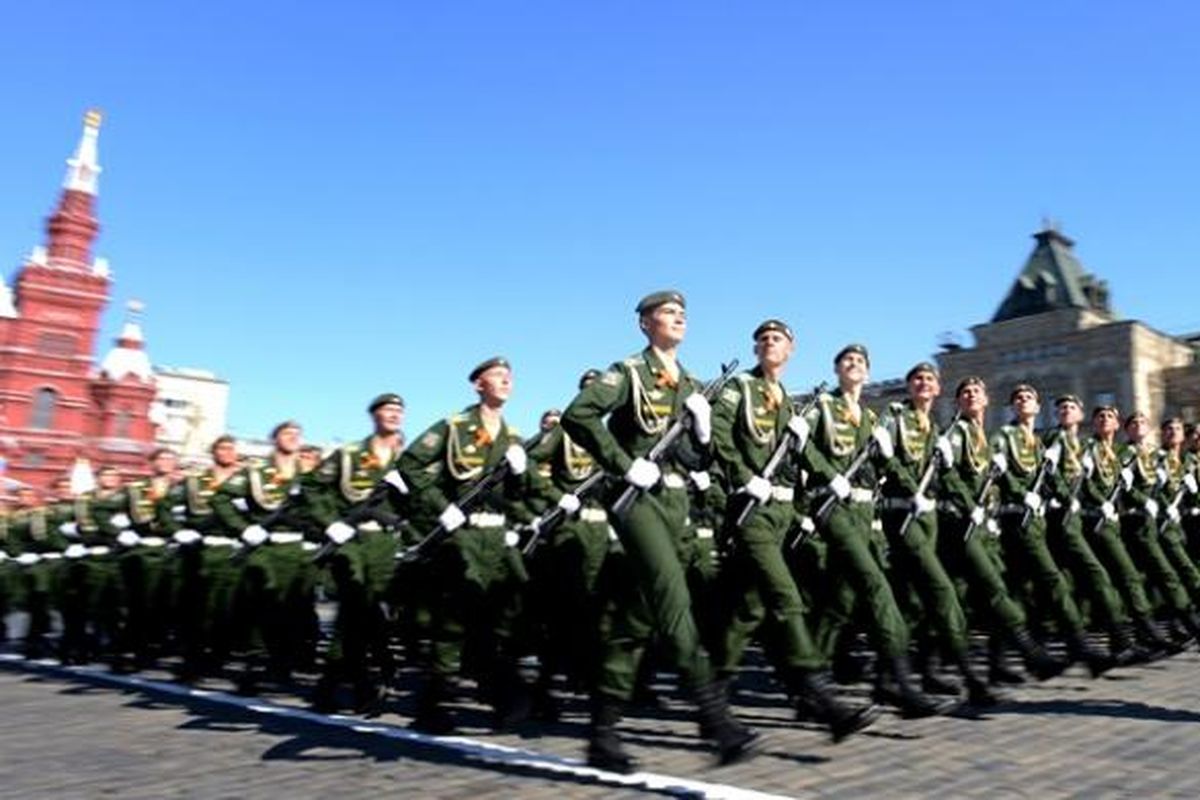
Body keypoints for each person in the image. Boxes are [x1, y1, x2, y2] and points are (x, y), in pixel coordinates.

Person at [561, 290, 759, 772]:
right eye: (668, 312)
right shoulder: (629, 372)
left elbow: (692, 457)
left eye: (683, 313)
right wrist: (624, 465)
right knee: (674, 600)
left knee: (635, 618)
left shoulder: (690, 381)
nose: (678, 317)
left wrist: (705, 434)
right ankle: (715, 719)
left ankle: (601, 734)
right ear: (645, 324)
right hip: (639, 503)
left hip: (675, 501)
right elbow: (579, 415)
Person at [710, 319, 879, 740]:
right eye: (764, 339)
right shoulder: (740, 389)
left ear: (791, 349)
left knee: (749, 608)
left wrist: (823, 474)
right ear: (755, 350)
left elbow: (801, 458)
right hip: (750, 511)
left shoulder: (786, 399)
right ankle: (819, 697)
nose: (770, 344)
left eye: (778, 339)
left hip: (782, 515)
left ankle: (710, 692)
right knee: (787, 599)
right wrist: (743, 475)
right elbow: (718, 435)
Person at [800, 344, 954, 717]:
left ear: (867, 374)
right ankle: (896, 683)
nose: (854, 365)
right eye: (847, 361)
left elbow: (890, 466)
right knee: (875, 585)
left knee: (842, 600)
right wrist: (828, 474)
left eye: (860, 362)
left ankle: (809, 684)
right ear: (837, 369)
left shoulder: (870, 418)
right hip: (834, 505)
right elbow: (802, 447)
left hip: (864, 508)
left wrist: (920, 482)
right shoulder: (823, 406)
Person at [398, 358, 541, 734]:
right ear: (479, 384)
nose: (506, 379)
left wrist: (521, 472)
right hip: (460, 536)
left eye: (509, 374)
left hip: (496, 538)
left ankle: (498, 694)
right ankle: (434, 704)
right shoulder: (453, 427)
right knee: (455, 621)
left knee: (499, 618)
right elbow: (410, 465)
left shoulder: (514, 437)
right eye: (497, 375)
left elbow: (519, 495)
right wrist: (440, 507)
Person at [876, 362, 997, 705]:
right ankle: (970, 675)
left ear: (937, 388)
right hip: (902, 511)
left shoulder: (935, 429)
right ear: (908, 385)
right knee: (941, 590)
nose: (923, 383)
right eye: (917, 379)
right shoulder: (895, 413)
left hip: (926, 517)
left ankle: (894, 677)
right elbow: (885, 457)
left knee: (910, 600)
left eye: (929, 379)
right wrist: (912, 486)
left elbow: (947, 475)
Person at [991, 385, 1111, 676]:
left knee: (1018, 588)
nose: (1022, 401)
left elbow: (1050, 476)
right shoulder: (1004, 436)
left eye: (1028, 398)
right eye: (1017, 398)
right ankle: (1080, 646)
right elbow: (999, 471)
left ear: (1037, 406)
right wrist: (1022, 494)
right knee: (1052, 579)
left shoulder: (1037, 442)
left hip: (1036, 519)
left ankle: (1000, 661)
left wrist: (1067, 497)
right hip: (1016, 518)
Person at [306, 394, 407, 714]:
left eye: (398, 411)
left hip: (388, 544)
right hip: (353, 541)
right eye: (387, 410)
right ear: (374, 416)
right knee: (355, 610)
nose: (393, 415)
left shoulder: (408, 458)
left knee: (370, 614)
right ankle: (345, 685)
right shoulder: (349, 455)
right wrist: (330, 523)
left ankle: (351, 682)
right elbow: (311, 488)